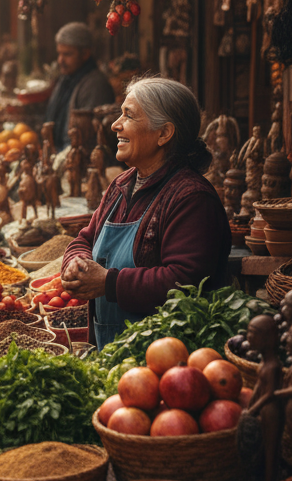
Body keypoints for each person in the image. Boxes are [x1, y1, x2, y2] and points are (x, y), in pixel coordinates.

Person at [61, 75, 230, 349]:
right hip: (112, 353)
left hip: (164, 359)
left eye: (128, 116)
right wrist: (75, 263)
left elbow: (184, 281)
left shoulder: (191, 198)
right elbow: (85, 239)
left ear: (164, 133)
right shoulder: (122, 184)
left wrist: (109, 282)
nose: (116, 125)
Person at [44, 22, 114, 151]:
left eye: (67, 54)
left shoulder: (95, 84)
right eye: (59, 53)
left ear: (85, 54)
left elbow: (87, 139)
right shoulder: (66, 79)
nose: (60, 60)